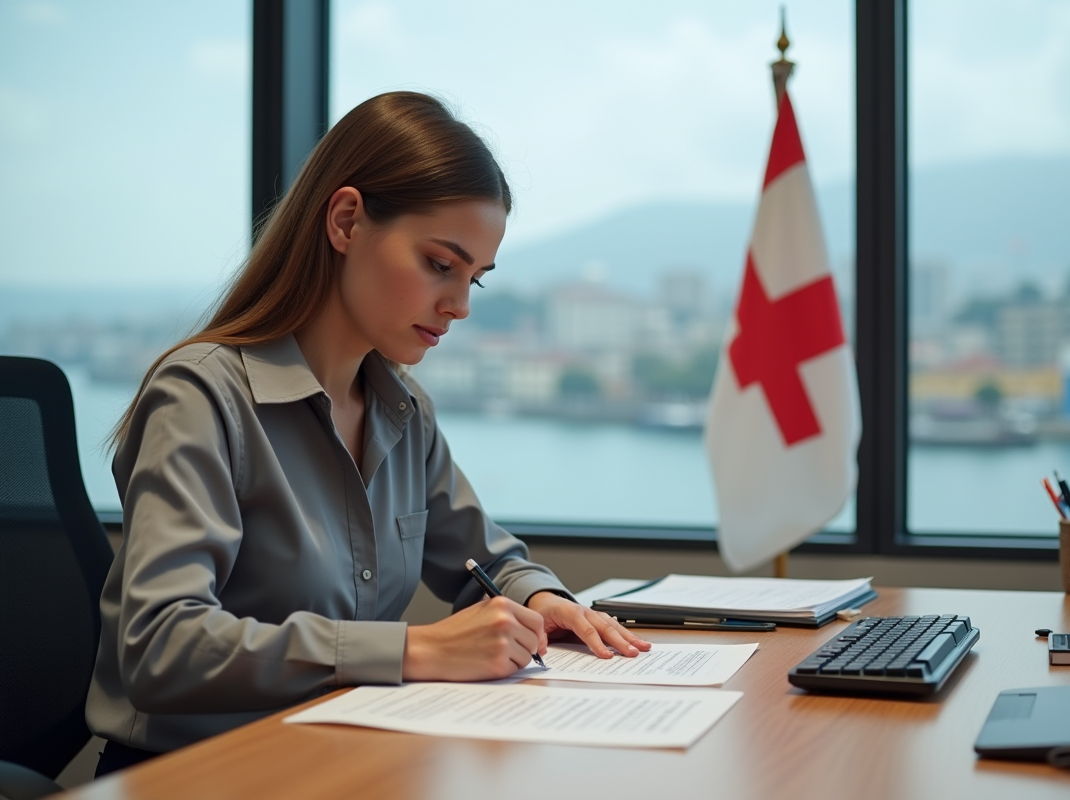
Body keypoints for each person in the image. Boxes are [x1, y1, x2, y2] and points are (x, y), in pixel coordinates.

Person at [86, 91, 651, 776]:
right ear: (347, 220)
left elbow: (487, 562)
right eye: (441, 264)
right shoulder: (202, 395)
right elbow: (158, 646)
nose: (461, 305)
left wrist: (543, 599)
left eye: (476, 277)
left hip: (343, 763)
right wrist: (415, 648)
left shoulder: (402, 409)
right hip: (196, 776)